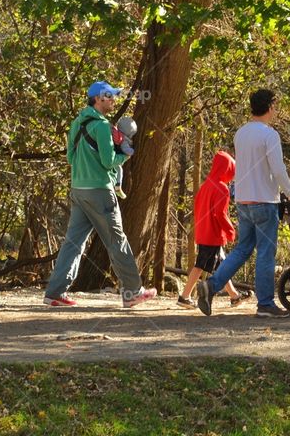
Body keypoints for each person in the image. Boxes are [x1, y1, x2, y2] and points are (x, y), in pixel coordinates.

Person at [43, 81, 157, 308]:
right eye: (109, 96)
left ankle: (54, 293)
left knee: (73, 243)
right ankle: (133, 292)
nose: (113, 99)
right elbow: (108, 162)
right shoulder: (103, 127)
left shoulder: (77, 123)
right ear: (97, 99)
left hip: (78, 190)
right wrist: (124, 155)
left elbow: (70, 158)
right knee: (116, 239)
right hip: (100, 192)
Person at [196, 89, 290, 318]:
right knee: (265, 253)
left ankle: (211, 286)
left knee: (243, 248)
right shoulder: (269, 135)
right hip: (264, 200)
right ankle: (265, 304)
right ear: (270, 107)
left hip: (243, 200)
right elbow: (278, 168)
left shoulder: (241, 133)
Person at [177, 150, 249, 309]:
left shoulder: (206, 185)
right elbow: (220, 214)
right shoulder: (222, 188)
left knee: (221, 265)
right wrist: (230, 230)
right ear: (227, 170)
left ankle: (234, 296)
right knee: (200, 265)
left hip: (204, 232)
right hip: (212, 235)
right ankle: (185, 296)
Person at [112, 116, 137, 199]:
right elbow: (125, 149)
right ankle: (118, 186)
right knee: (119, 170)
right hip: (115, 158)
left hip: (111, 155)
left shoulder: (115, 133)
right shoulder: (123, 139)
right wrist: (133, 151)